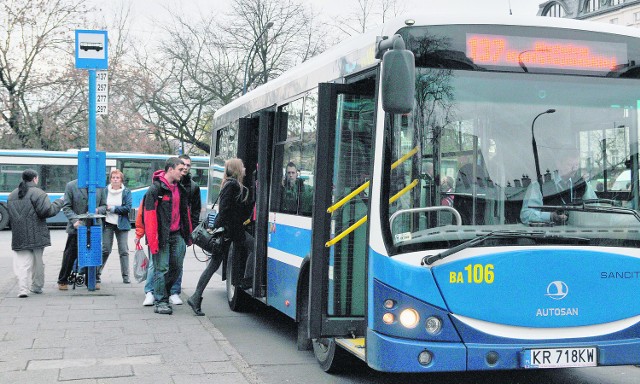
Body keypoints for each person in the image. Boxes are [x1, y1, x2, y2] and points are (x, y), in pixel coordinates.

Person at [188, 158, 253, 316]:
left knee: (213, 266)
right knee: (255, 247)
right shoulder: (232, 185)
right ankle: (247, 280)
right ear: (237, 169)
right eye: (242, 166)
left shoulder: (231, 185)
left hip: (229, 231)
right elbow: (224, 211)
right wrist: (219, 228)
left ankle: (196, 297)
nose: (245, 168)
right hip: (230, 232)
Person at [141, 154, 201, 306]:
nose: (183, 172)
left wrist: (188, 235)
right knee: (161, 269)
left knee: (176, 267)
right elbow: (148, 216)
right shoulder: (155, 189)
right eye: (180, 169)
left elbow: (187, 213)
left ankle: (164, 295)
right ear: (170, 169)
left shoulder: (180, 189)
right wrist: (152, 239)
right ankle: (160, 300)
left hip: (177, 234)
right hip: (161, 236)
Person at [7, 169, 64, 297]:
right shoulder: (38, 193)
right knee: (37, 263)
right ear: (35, 179)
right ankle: (36, 286)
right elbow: (47, 211)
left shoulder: (12, 195)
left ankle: (22, 289)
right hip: (36, 233)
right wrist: (60, 202)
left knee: (22, 263)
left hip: (19, 235)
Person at [57, 179, 106, 290]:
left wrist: (98, 210)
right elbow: (66, 206)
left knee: (94, 253)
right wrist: (74, 221)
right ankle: (63, 280)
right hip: (77, 227)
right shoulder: (71, 185)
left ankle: (92, 279)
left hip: (94, 226)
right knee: (70, 254)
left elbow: (104, 206)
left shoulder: (100, 186)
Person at [520, 165, 597, 225]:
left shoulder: (583, 185)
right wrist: (550, 216)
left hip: (579, 238)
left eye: (576, 165)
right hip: (546, 240)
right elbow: (526, 215)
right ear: (559, 163)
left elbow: (596, 212)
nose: (574, 168)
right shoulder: (539, 185)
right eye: (569, 164)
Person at [96, 169, 132, 284]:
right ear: (110, 179)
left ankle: (126, 276)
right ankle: (97, 273)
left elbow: (127, 208)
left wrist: (112, 209)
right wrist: (106, 208)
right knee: (105, 249)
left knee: (123, 251)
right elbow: (101, 205)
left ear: (121, 179)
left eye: (117, 178)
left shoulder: (126, 192)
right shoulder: (105, 191)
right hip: (108, 223)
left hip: (122, 225)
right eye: (113, 178)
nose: (115, 180)